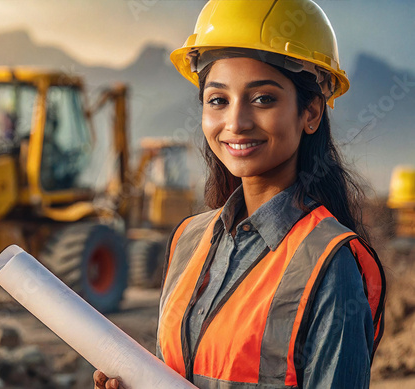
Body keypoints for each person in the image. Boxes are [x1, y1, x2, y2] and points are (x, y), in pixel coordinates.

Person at [94, 1, 386, 388]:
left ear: (311, 112)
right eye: (218, 100)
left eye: (263, 98)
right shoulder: (188, 241)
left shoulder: (329, 266)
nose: (236, 122)